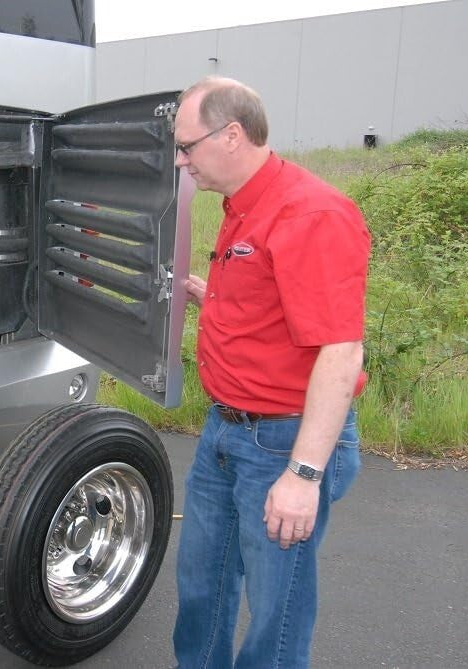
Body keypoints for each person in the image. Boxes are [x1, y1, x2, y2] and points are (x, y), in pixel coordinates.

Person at [171, 76, 371, 669]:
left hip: (284, 441)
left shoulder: (310, 214)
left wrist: (303, 476)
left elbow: (341, 351)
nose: (182, 162)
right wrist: (219, 301)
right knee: (202, 588)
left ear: (232, 135)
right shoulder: (243, 206)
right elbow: (281, 306)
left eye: (187, 147)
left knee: (275, 613)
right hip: (225, 432)